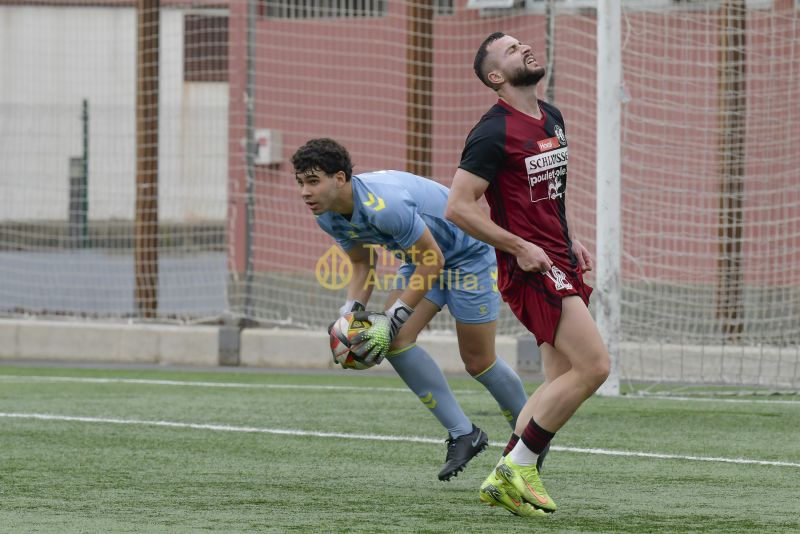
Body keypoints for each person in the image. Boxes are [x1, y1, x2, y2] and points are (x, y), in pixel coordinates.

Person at [292, 137, 530, 481]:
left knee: (478, 361)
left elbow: (435, 258)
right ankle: (464, 433)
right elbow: (362, 263)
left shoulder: (382, 204)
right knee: (393, 341)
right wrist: (349, 314)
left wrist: (393, 317)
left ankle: (530, 436)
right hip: (421, 261)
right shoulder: (327, 216)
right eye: (300, 183)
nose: (305, 192)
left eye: (313, 181)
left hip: (468, 258)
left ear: (340, 178)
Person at [445, 32, 611, 517]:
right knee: (595, 366)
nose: (526, 49)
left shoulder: (552, 116)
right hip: (531, 267)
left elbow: (550, 194)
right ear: (495, 76)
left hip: (558, 256)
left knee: (559, 376)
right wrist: (519, 247)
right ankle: (520, 465)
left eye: (523, 44)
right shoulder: (492, 131)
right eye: (512, 50)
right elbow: (459, 206)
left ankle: (504, 474)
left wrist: (571, 238)